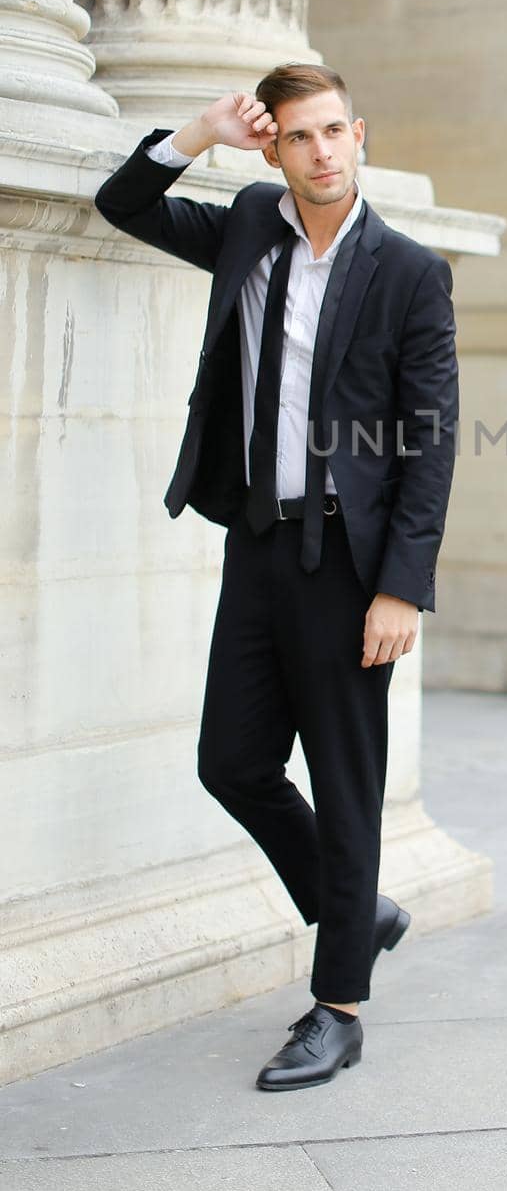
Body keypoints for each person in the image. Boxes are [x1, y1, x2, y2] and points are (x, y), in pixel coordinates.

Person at [94, 63, 459, 1091]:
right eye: (299, 137)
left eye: (335, 131)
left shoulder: (408, 272)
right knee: (233, 761)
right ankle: (358, 909)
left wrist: (402, 586)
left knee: (346, 789)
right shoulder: (251, 225)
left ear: (359, 135)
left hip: (350, 563)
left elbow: (429, 442)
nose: (322, 151)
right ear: (275, 150)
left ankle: (337, 1005)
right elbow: (125, 203)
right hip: (256, 542)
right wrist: (200, 131)